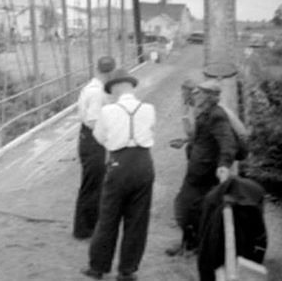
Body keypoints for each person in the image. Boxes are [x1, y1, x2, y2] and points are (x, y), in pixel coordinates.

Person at [82, 69, 156, 281]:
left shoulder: (108, 111)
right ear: (131, 87)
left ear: (114, 88)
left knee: (108, 217)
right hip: (143, 163)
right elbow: (150, 131)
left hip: (118, 162)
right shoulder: (149, 109)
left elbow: (99, 137)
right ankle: (127, 269)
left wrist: (116, 145)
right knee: (138, 219)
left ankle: (98, 267)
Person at [167, 80, 237, 257]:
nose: (196, 96)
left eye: (200, 93)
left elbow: (228, 143)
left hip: (204, 172)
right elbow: (204, 138)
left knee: (186, 207)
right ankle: (190, 243)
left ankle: (195, 244)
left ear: (209, 97)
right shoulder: (205, 114)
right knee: (192, 208)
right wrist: (185, 141)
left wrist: (223, 165)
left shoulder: (217, 116)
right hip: (197, 169)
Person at [72, 56, 116, 240]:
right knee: (92, 185)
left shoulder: (90, 87)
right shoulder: (97, 92)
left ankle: (88, 226)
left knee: (93, 184)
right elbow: (92, 121)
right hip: (93, 139)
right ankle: (84, 229)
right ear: (111, 71)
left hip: (87, 138)